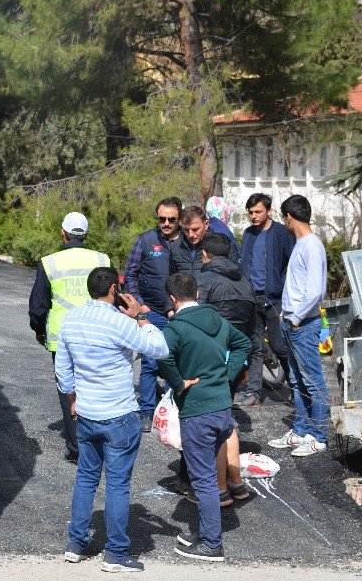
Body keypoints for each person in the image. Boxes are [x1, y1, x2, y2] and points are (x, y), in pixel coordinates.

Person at [56, 266, 169, 572]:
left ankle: (76, 544)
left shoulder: (71, 320)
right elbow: (159, 348)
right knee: (118, 484)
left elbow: (64, 373)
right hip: (118, 414)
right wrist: (141, 316)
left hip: (87, 414)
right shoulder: (120, 322)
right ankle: (115, 552)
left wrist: (73, 402)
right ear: (114, 290)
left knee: (85, 478)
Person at [158, 273, 250, 562]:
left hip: (197, 412)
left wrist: (178, 382)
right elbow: (243, 345)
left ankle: (212, 544)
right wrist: (227, 375)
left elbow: (162, 358)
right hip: (222, 409)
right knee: (208, 476)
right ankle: (206, 532)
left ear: (172, 299)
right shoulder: (218, 321)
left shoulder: (175, 328)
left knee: (205, 482)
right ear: (196, 293)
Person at [29, 212, 109, 461]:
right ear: (86, 234)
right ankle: (100, 441)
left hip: (62, 339)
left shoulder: (49, 262)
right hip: (97, 334)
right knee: (96, 385)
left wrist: (39, 330)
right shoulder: (101, 259)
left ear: (62, 233)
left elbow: (38, 306)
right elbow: (114, 296)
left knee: (69, 390)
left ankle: (77, 448)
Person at [195, 232, 256, 503]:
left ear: (206, 255)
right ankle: (236, 482)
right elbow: (253, 332)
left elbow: (195, 322)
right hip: (236, 361)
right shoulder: (246, 284)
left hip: (210, 360)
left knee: (209, 425)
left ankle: (219, 489)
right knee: (226, 420)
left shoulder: (204, 281)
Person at [268, 195, 330, 457]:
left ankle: (319, 435)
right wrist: (287, 315)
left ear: (289, 218)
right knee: (296, 378)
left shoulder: (311, 246)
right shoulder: (301, 244)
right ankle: (301, 430)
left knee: (312, 380)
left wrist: (294, 318)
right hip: (293, 321)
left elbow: (316, 290)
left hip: (302, 324)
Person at [122, 197, 182, 429]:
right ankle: (147, 410)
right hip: (152, 311)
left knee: (175, 362)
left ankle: (171, 409)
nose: (166, 223)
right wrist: (140, 304)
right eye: (162, 219)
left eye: (171, 219)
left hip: (179, 312)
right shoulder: (145, 240)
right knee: (150, 363)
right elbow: (130, 275)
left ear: (179, 219)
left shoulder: (186, 241)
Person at [239, 193, 295, 407]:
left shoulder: (281, 232)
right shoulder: (248, 233)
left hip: (275, 298)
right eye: (251, 212)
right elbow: (246, 263)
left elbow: (291, 262)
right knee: (255, 347)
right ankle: (253, 392)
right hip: (253, 298)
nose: (253, 216)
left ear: (269, 211)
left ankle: (295, 387)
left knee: (280, 345)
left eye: (258, 212)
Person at [170, 205, 241, 277]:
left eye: (195, 229)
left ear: (206, 224)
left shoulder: (222, 244)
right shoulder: (175, 247)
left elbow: (234, 273)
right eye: (186, 230)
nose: (190, 234)